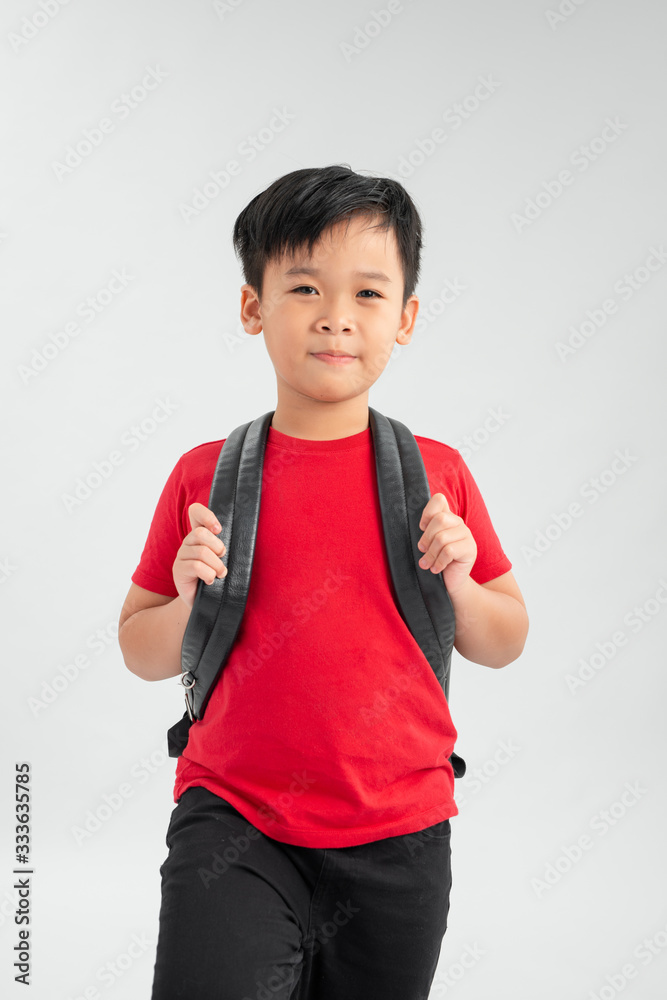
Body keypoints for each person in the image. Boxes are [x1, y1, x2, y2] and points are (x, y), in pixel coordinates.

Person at [118, 163, 529, 1000]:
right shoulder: (206, 476)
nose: (336, 317)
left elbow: (504, 639)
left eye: (369, 295)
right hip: (233, 820)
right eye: (303, 286)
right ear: (252, 307)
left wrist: (459, 580)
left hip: (401, 836)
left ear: (406, 318)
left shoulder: (434, 473)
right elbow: (140, 648)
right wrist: (188, 596)